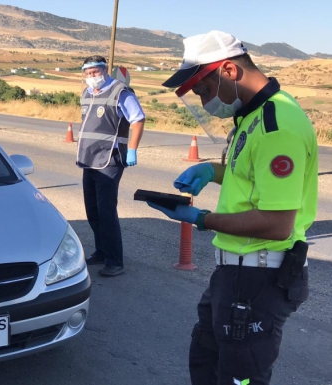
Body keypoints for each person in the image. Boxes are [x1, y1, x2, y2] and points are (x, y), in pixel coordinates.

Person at [149, 30, 318, 385]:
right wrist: (211, 170)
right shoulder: (253, 115)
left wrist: (202, 218)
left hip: (258, 277)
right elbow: (251, 175)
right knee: (207, 364)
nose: (207, 101)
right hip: (236, 274)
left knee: (239, 378)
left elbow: (276, 224)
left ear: (229, 70)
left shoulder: (277, 125)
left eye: (206, 91)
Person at [78, 55, 146, 277]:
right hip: (89, 158)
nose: (91, 77)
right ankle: (101, 251)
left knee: (106, 211)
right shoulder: (86, 94)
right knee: (93, 210)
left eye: (95, 72)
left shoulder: (120, 92)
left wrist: (133, 149)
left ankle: (115, 261)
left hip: (111, 158)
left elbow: (137, 119)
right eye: (88, 73)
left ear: (104, 70)